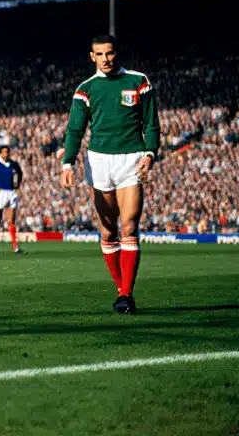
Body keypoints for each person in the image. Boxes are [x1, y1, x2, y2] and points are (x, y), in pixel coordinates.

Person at [61, 34, 159, 314]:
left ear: (118, 53)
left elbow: (152, 123)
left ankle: (126, 294)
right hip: (99, 161)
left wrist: (150, 153)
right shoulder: (85, 89)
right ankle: (120, 289)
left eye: (110, 53)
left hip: (132, 158)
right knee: (107, 230)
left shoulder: (138, 81)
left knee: (129, 226)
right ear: (92, 57)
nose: (105, 59)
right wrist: (68, 163)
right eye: (99, 54)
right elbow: (75, 130)